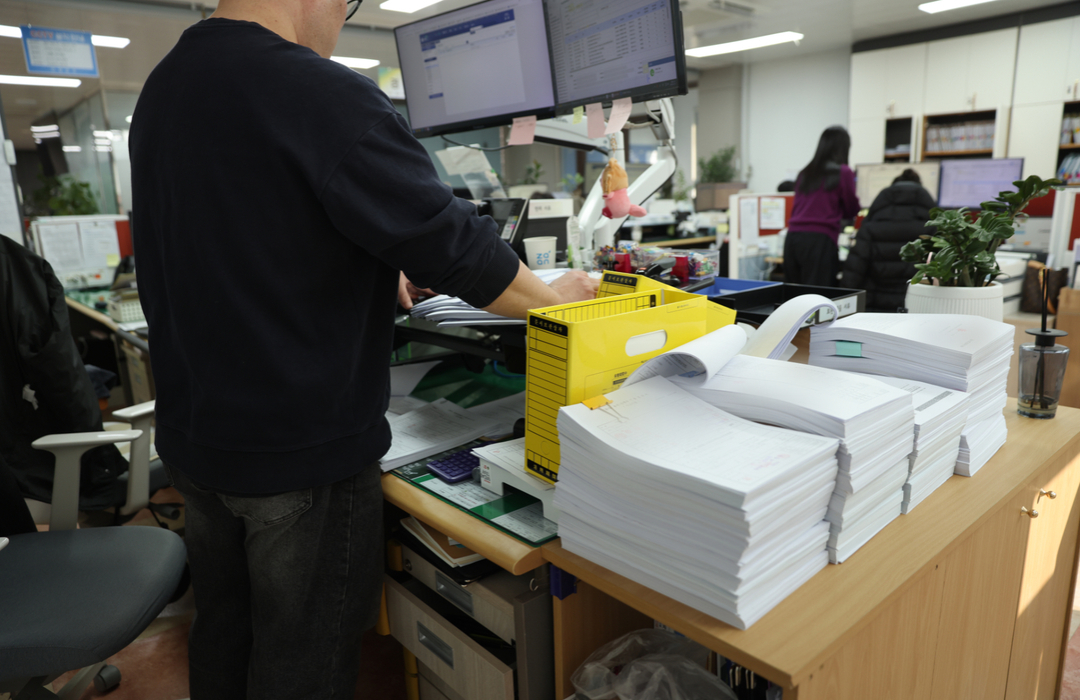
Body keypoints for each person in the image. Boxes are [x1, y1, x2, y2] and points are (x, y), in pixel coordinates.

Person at [128, 0, 598, 697]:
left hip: (198, 443)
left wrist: (374, 264)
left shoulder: (168, 84)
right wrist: (557, 304)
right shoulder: (315, 89)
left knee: (226, 631)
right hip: (298, 456)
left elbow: (243, 230)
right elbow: (454, 244)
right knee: (302, 663)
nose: (340, 20)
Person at [841, 169, 936, 311]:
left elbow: (853, 274)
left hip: (875, 308)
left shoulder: (870, 228)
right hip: (918, 307)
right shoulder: (933, 229)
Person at [783, 126, 860, 287]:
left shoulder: (805, 173)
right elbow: (851, 210)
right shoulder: (844, 172)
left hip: (793, 239)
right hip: (819, 240)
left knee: (793, 295)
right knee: (818, 295)